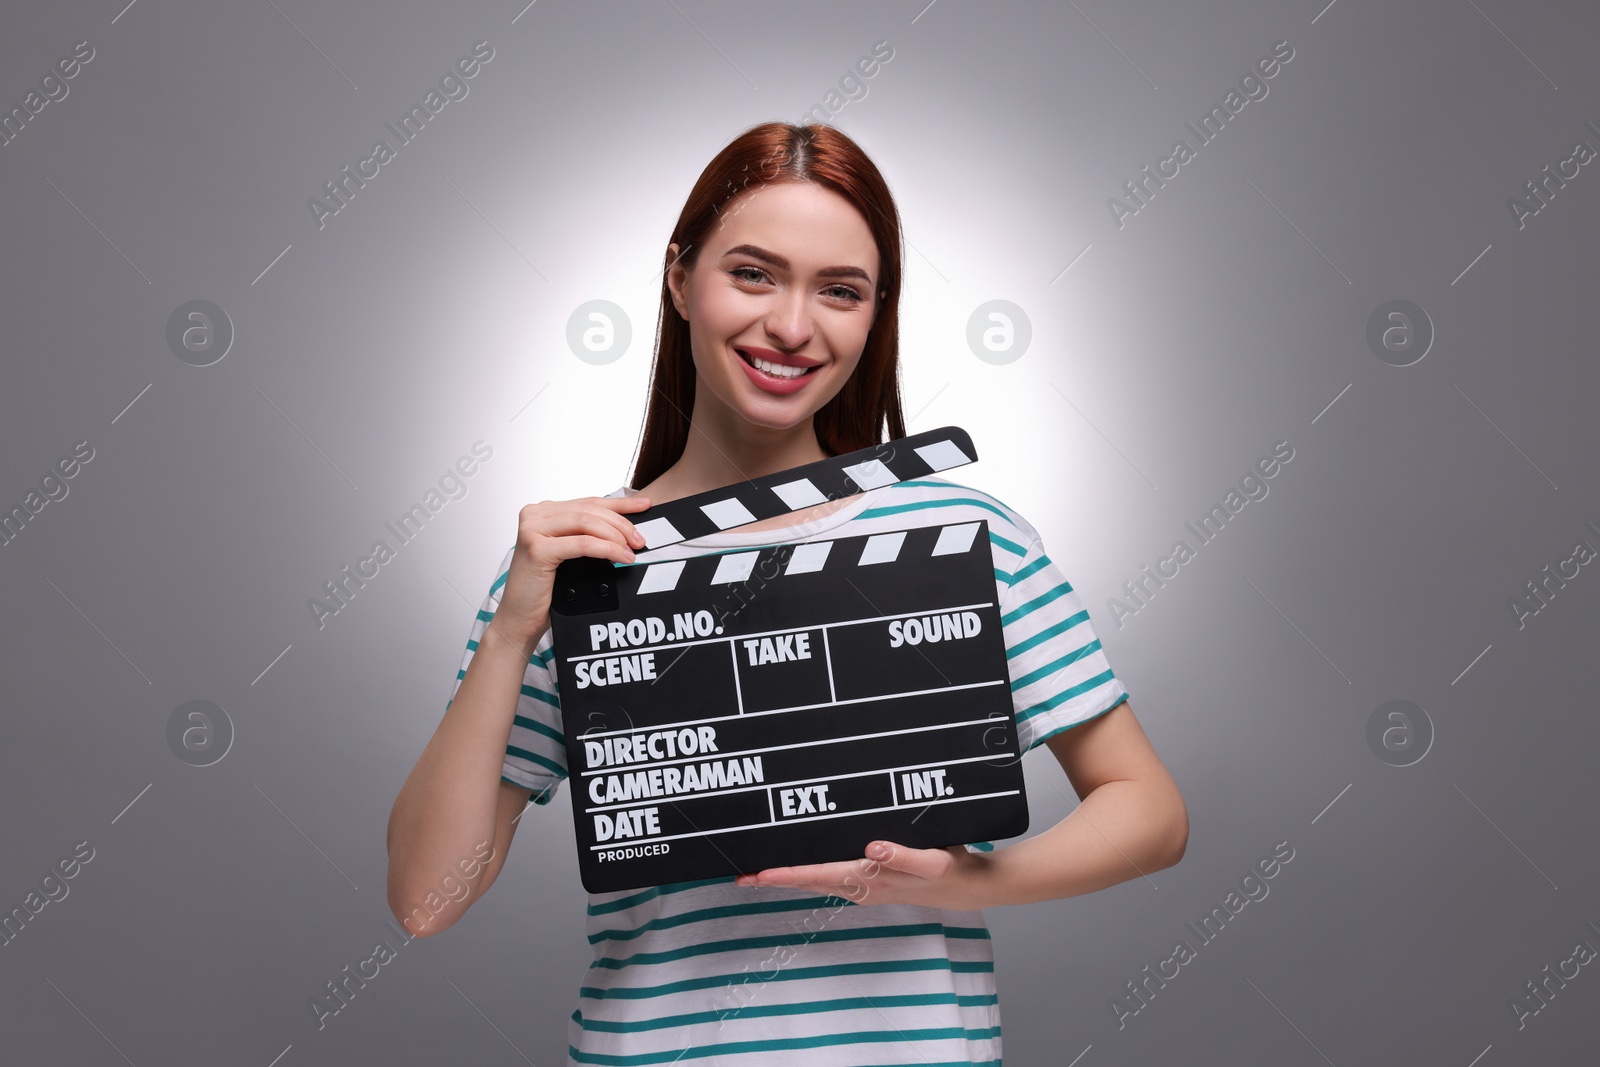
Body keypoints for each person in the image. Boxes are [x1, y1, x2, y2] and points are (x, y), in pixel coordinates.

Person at [387, 120, 1189, 1065]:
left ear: (874, 314)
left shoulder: (964, 537)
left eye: (840, 291)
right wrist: (513, 628)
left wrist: (963, 882)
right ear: (681, 279)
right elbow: (426, 900)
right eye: (754, 273)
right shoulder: (574, 565)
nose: (793, 326)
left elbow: (1149, 808)